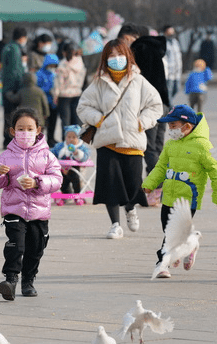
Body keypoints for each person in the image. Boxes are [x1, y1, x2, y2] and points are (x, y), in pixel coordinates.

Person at [77, 39, 163, 239]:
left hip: (132, 141)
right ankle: (115, 224)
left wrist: (143, 121)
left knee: (133, 183)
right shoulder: (99, 82)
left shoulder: (139, 81)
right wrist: (98, 120)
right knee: (110, 184)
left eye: (120, 55)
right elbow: (83, 106)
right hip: (107, 141)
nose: (116, 59)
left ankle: (130, 207)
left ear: (128, 56)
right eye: (112, 56)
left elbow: (155, 106)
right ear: (105, 59)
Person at [141, 105, 217, 278]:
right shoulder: (170, 145)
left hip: (188, 198)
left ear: (187, 126)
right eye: (169, 127)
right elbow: (160, 167)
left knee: (172, 232)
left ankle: (162, 263)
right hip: (168, 196)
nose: (170, 130)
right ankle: (189, 246)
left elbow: (216, 170)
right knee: (168, 228)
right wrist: (150, 183)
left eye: (173, 126)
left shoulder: (202, 145)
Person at [0, 108, 62, 300]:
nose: (25, 132)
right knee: (15, 245)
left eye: (29, 128)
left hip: (39, 210)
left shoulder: (47, 155)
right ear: (12, 131)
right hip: (14, 208)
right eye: (21, 128)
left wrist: (38, 182)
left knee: (36, 248)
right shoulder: (6, 155)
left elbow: (57, 179)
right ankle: (10, 280)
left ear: (38, 129)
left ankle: (28, 280)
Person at [130, 33, 171, 192]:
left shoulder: (141, 50)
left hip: (150, 105)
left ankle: (157, 180)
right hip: (164, 103)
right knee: (158, 146)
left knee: (149, 146)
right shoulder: (157, 49)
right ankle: (160, 180)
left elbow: (143, 80)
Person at [51, 124, 91, 206]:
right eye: (68, 137)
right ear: (65, 137)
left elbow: (86, 156)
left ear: (78, 138)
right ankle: (65, 195)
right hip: (62, 168)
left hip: (76, 168)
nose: (71, 139)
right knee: (62, 182)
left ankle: (78, 195)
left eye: (74, 137)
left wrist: (77, 153)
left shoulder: (81, 147)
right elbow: (52, 152)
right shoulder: (61, 146)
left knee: (76, 179)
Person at [1, 27, 28, 148]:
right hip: (13, 87)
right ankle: (9, 140)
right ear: (22, 38)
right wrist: (19, 86)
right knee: (12, 116)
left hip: (6, 86)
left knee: (8, 114)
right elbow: (15, 70)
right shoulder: (15, 49)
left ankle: (6, 139)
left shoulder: (7, 47)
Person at [55, 42, 86, 137]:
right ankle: (76, 141)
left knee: (66, 121)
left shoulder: (63, 65)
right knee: (76, 120)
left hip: (64, 95)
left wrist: (55, 95)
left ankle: (66, 143)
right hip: (77, 93)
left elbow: (59, 82)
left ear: (64, 52)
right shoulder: (80, 63)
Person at [36, 53, 60, 146]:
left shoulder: (57, 73)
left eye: (54, 66)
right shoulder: (39, 74)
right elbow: (38, 87)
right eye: (51, 65)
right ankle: (40, 140)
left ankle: (51, 138)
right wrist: (48, 89)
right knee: (43, 123)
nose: (52, 67)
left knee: (53, 122)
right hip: (44, 102)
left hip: (54, 103)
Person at [163, 25, 183, 100]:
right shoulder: (163, 43)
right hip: (169, 73)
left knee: (176, 89)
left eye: (172, 31)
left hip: (177, 72)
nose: (171, 33)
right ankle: (169, 107)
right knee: (169, 91)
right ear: (165, 33)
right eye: (169, 32)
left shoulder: (175, 42)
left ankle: (168, 104)